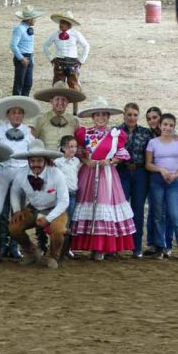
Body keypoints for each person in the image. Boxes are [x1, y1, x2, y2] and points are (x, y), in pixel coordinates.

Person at [71, 96, 135, 260]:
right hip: (89, 173)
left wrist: (110, 161)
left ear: (108, 117)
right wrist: (87, 161)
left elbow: (122, 153)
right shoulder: (84, 133)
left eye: (104, 115)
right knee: (88, 206)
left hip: (107, 175)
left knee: (104, 206)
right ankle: (86, 244)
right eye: (97, 115)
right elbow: (77, 151)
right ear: (93, 117)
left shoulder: (115, 135)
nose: (101, 118)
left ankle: (100, 247)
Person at [0, 95, 41, 258]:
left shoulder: (28, 131)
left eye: (20, 113)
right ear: (8, 114)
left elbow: (33, 152)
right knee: (3, 211)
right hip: (4, 172)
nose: (17, 115)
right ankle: (2, 244)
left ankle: (15, 246)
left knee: (17, 211)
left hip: (22, 174)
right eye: (14, 112)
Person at [9, 140, 69, 269]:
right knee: (14, 227)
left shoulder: (56, 173)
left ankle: (53, 256)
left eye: (39, 161)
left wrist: (48, 218)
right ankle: (31, 252)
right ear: (28, 161)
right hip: (33, 208)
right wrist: (17, 210)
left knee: (58, 230)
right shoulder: (21, 174)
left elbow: (64, 200)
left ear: (45, 160)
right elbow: (14, 192)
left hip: (55, 208)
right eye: (33, 161)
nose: (36, 164)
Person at [145, 113, 178, 261]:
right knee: (158, 214)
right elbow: (148, 164)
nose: (167, 128)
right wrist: (161, 170)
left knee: (174, 214)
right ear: (160, 125)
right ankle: (160, 246)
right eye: (165, 124)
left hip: (173, 181)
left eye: (171, 125)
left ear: (174, 127)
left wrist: (176, 174)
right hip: (157, 180)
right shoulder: (153, 142)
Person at [117, 103, 155, 258]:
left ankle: (136, 246)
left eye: (134, 115)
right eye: (129, 114)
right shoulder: (116, 131)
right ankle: (118, 245)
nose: (132, 118)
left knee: (137, 210)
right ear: (124, 115)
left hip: (140, 172)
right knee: (121, 209)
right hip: (122, 171)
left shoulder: (146, 133)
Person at [42, 11, 90, 91]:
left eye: (63, 23)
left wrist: (81, 60)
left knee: (74, 87)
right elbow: (45, 45)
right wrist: (51, 58)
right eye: (60, 22)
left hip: (73, 63)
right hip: (59, 62)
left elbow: (86, 46)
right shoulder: (55, 34)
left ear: (69, 24)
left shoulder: (76, 34)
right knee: (58, 86)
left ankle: (75, 103)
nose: (61, 25)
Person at [32, 81, 85, 150]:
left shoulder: (74, 121)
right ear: (51, 101)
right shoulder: (40, 120)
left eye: (63, 100)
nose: (60, 103)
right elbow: (33, 141)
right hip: (46, 158)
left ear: (67, 102)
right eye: (57, 99)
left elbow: (78, 144)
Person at [10, 6, 44, 97]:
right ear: (29, 20)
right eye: (34, 18)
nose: (35, 20)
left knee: (28, 83)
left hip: (29, 57)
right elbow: (13, 45)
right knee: (19, 84)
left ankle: (25, 102)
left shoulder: (28, 29)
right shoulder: (19, 29)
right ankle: (16, 103)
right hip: (22, 57)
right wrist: (21, 58)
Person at [54, 135, 80, 233]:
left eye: (75, 147)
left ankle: (67, 246)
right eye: (70, 147)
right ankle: (58, 244)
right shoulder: (57, 162)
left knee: (70, 219)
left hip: (73, 194)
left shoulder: (76, 161)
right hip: (62, 195)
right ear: (63, 148)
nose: (73, 149)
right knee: (61, 219)